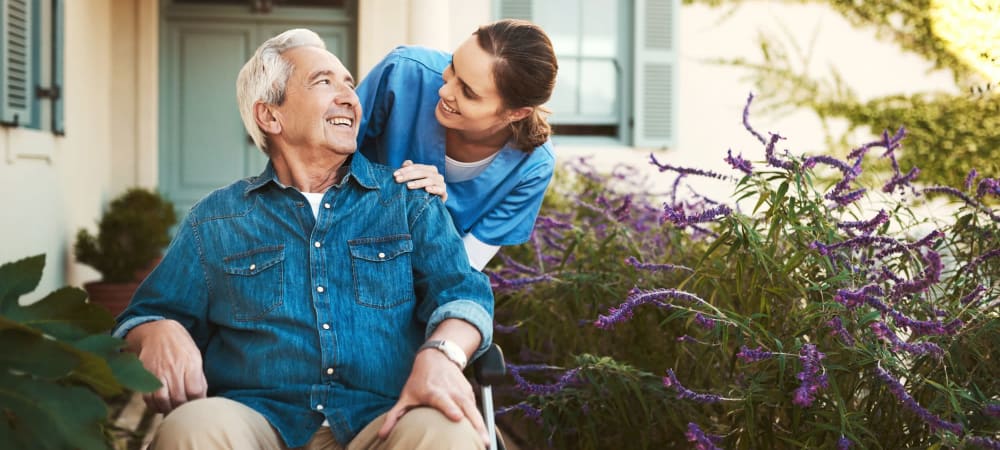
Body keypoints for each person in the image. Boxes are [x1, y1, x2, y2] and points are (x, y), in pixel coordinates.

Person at [112, 28, 495, 450]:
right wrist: (157, 330)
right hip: (258, 419)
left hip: (385, 418)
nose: (350, 96)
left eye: (349, 84)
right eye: (324, 81)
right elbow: (145, 313)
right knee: (192, 428)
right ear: (270, 116)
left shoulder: (408, 201)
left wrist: (442, 354)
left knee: (449, 433)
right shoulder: (218, 219)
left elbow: (463, 295)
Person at [356, 19, 559, 270]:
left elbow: (462, 267)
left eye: (469, 92)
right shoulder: (403, 72)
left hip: (411, 280)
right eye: (452, 66)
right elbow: (318, 159)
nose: (444, 91)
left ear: (516, 113)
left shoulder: (532, 169)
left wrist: (433, 216)